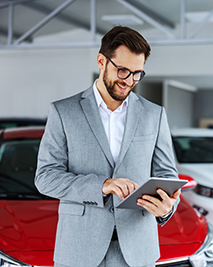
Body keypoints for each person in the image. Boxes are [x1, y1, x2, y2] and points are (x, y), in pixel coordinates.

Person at [35, 26, 180, 267]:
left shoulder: (154, 115)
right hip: (79, 249)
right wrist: (103, 185)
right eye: (122, 71)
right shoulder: (63, 112)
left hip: (137, 250)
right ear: (102, 61)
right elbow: (46, 177)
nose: (129, 81)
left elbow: (167, 175)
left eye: (137, 74)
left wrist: (166, 209)